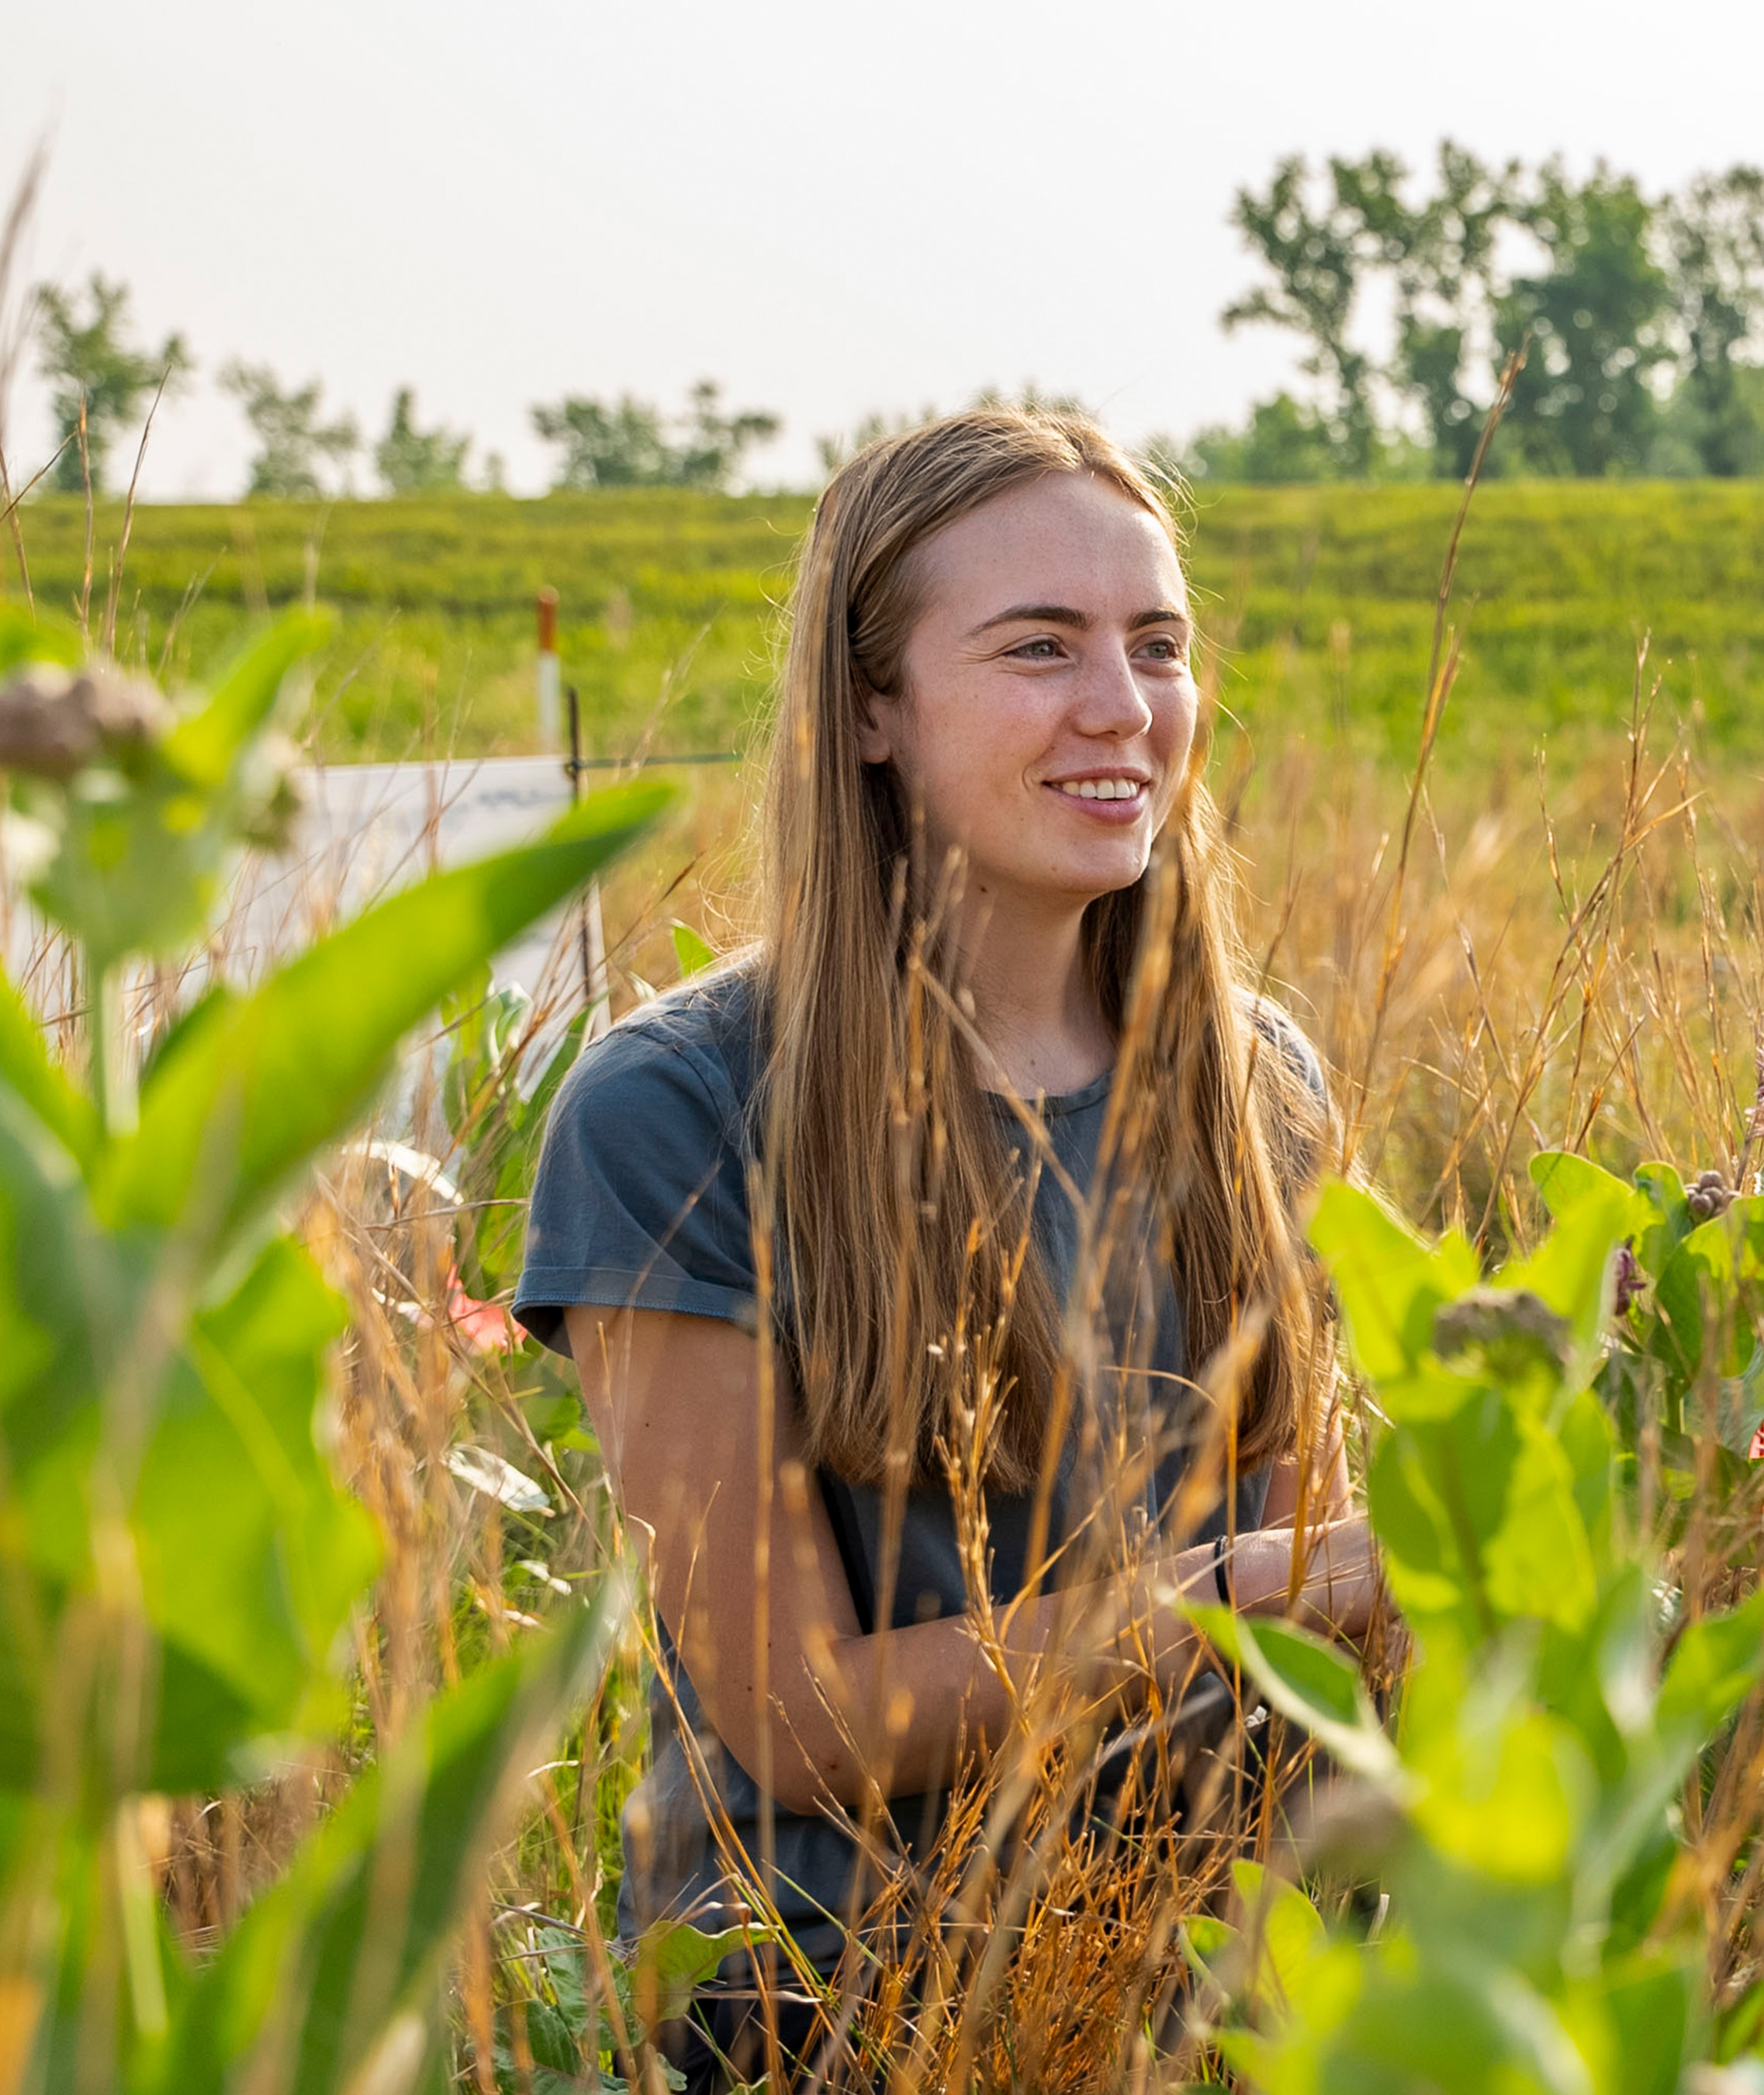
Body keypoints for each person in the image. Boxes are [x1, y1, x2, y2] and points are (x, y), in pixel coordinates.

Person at [514, 408, 1378, 2082]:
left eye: (1157, 646)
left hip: (1225, 1995)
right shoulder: (678, 1114)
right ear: (868, 713)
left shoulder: (1253, 1082)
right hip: (840, 2015)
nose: (1122, 708)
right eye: (1039, 649)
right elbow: (797, 1715)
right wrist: (1222, 1601)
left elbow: (1312, 1625)